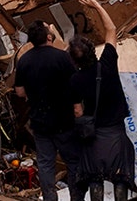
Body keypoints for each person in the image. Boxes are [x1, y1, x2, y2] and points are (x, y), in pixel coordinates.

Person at [69, 0, 136, 201]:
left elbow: (78, 111)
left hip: (94, 135)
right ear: (93, 50)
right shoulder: (107, 62)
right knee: (120, 177)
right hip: (116, 132)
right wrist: (97, 5)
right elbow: (111, 30)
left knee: (94, 178)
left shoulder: (75, 80)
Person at [14, 20, 84, 201]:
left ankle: (50, 198)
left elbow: (20, 91)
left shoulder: (24, 61)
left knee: (45, 164)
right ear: (49, 37)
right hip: (64, 120)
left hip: (40, 122)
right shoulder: (62, 57)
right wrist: (77, 106)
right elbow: (74, 84)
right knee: (73, 162)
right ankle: (77, 197)